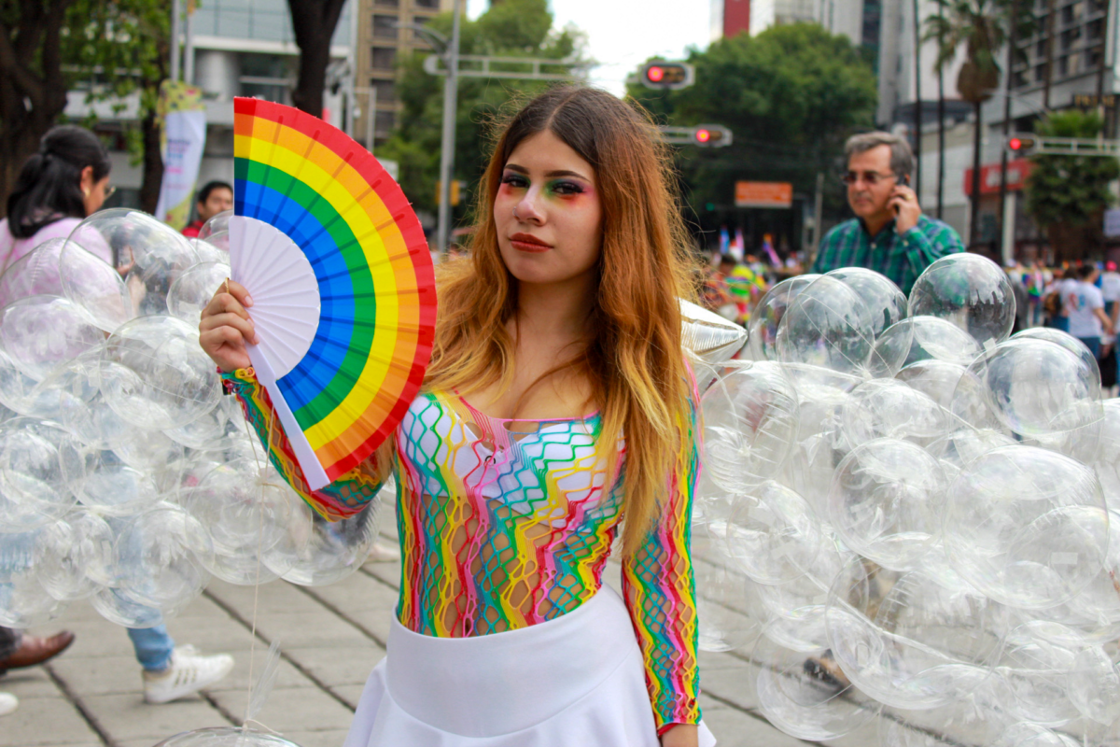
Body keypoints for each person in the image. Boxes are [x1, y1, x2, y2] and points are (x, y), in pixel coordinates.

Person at [202, 86, 713, 747]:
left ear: (620, 207)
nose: (528, 208)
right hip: (419, 703)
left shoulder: (651, 376)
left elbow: (660, 568)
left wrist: (677, 726)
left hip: (575, 705)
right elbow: (340, 493)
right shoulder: (428, 329)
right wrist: (245, 373)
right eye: (514, 181)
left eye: (565, 188)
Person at [0, 125, 235, 708]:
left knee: (24, 528)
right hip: (74, 410)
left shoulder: (8, 234)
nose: (102, 201)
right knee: (127, 522)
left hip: (14, 400)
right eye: (103, 189)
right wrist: (133, 298)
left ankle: (160, 661)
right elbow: (119, 329)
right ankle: (159, 665)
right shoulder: (78, 244)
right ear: (86, 180)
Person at [811, 132, 964, 295]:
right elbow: (810, 304)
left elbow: (955, 298)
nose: (858, 187)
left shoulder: (938, 237)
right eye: (852, 177)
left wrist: (910, 234)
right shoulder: (836, 240)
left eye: (871, 177)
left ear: (902, 182)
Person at [1068, 264, 1114, 359]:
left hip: (1074, 332)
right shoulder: (1094, 291)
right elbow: (1099, 312)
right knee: (1091, 367)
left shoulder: (1073, 289)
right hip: (1091, 333)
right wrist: (1110, 326)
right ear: (1092, 274)